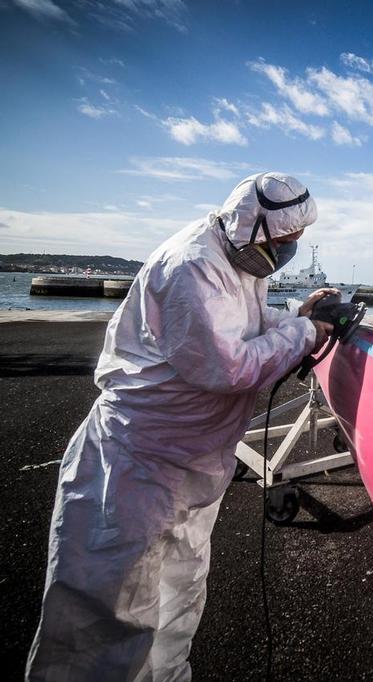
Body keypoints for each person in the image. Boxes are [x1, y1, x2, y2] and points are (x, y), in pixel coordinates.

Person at [26, 172, 337, 680]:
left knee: (177, 599)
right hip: (135, 466)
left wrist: (297, 316)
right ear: (251, 225)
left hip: (190, 466)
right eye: (284, 242)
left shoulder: (243, 259)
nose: (287, 254)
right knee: (105, 617)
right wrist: (305, 332)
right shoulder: (191, 265)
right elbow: (229, 367)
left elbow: (248, 324)